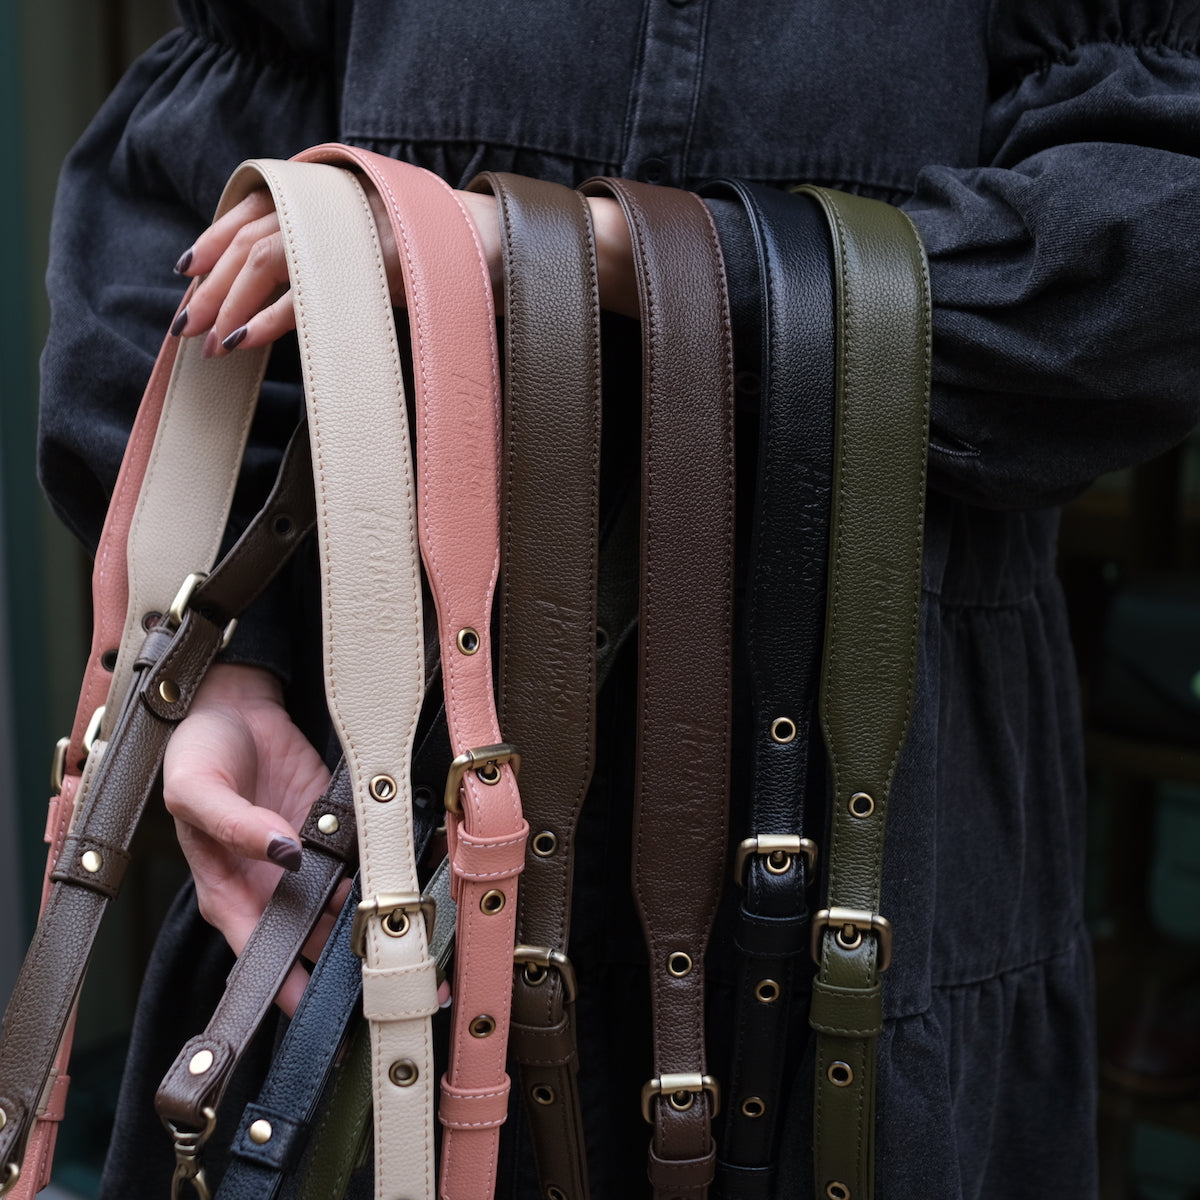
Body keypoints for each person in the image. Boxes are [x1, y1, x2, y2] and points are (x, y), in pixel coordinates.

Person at [36, 1, 1200, 1196]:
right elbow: (200, 237)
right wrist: (222, 674)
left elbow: (1143, 265)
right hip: (374, 789)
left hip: (874, 801)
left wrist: (565, 253)